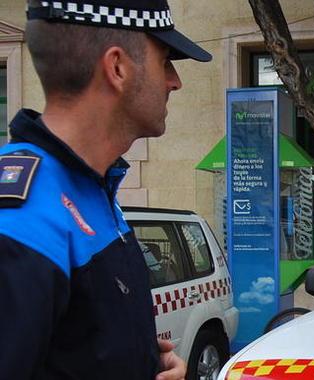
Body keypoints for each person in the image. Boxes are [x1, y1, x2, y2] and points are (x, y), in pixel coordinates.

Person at [0, 0, 211, 379]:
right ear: (117, 68)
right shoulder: (20, 218)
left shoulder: (92, 188)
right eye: (165, 60)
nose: (175, 81)